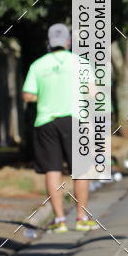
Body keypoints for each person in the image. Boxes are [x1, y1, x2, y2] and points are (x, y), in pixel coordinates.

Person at [22, 23, 99, 233]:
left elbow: (27, 95)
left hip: (46, 121)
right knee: (81, 170)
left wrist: (46, 95)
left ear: (49, 43)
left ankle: (60, 219)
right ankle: (81, 217)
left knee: (52, 170)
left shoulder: (37, 65)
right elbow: (93, 93)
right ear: (68, 42)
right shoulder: (81, 63)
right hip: (75, 119)